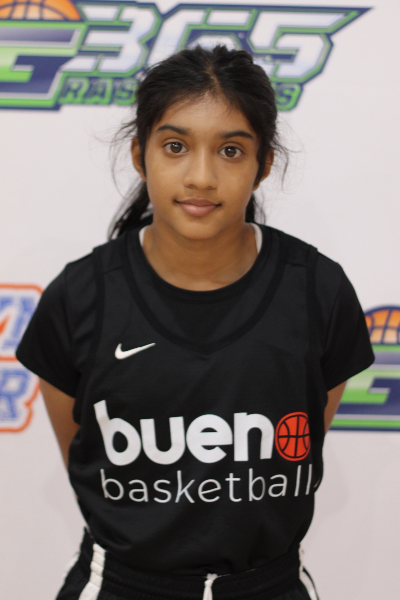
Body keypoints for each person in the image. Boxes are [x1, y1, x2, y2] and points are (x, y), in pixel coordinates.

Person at [16, 45, 374, 600]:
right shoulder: (79, 298)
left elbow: (304, 436)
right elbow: (83, 455)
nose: (202, 176)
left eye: (231, 150)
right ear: (140, 155)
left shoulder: (317, 292)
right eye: (176, 146)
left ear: (264, 164)